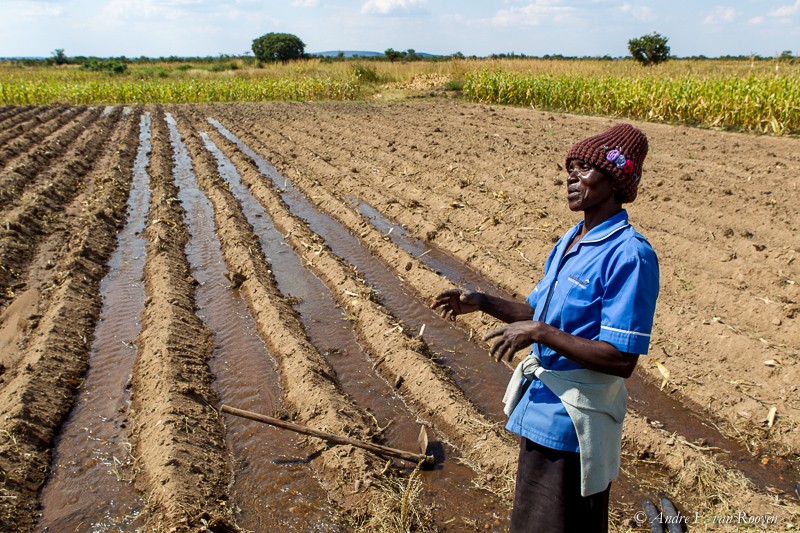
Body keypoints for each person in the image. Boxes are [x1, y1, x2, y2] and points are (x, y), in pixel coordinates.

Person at [431, 123, 659, 532]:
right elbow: (536, 312)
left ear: (614, 180)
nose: (570, 177)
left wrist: (539, 333)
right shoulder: (572, 239)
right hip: (541, 408)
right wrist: (481, 303)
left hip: (575, 421)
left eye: (583, 169)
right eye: (569, 168)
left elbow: (622, 359)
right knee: (532, 519)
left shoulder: (629, 254)